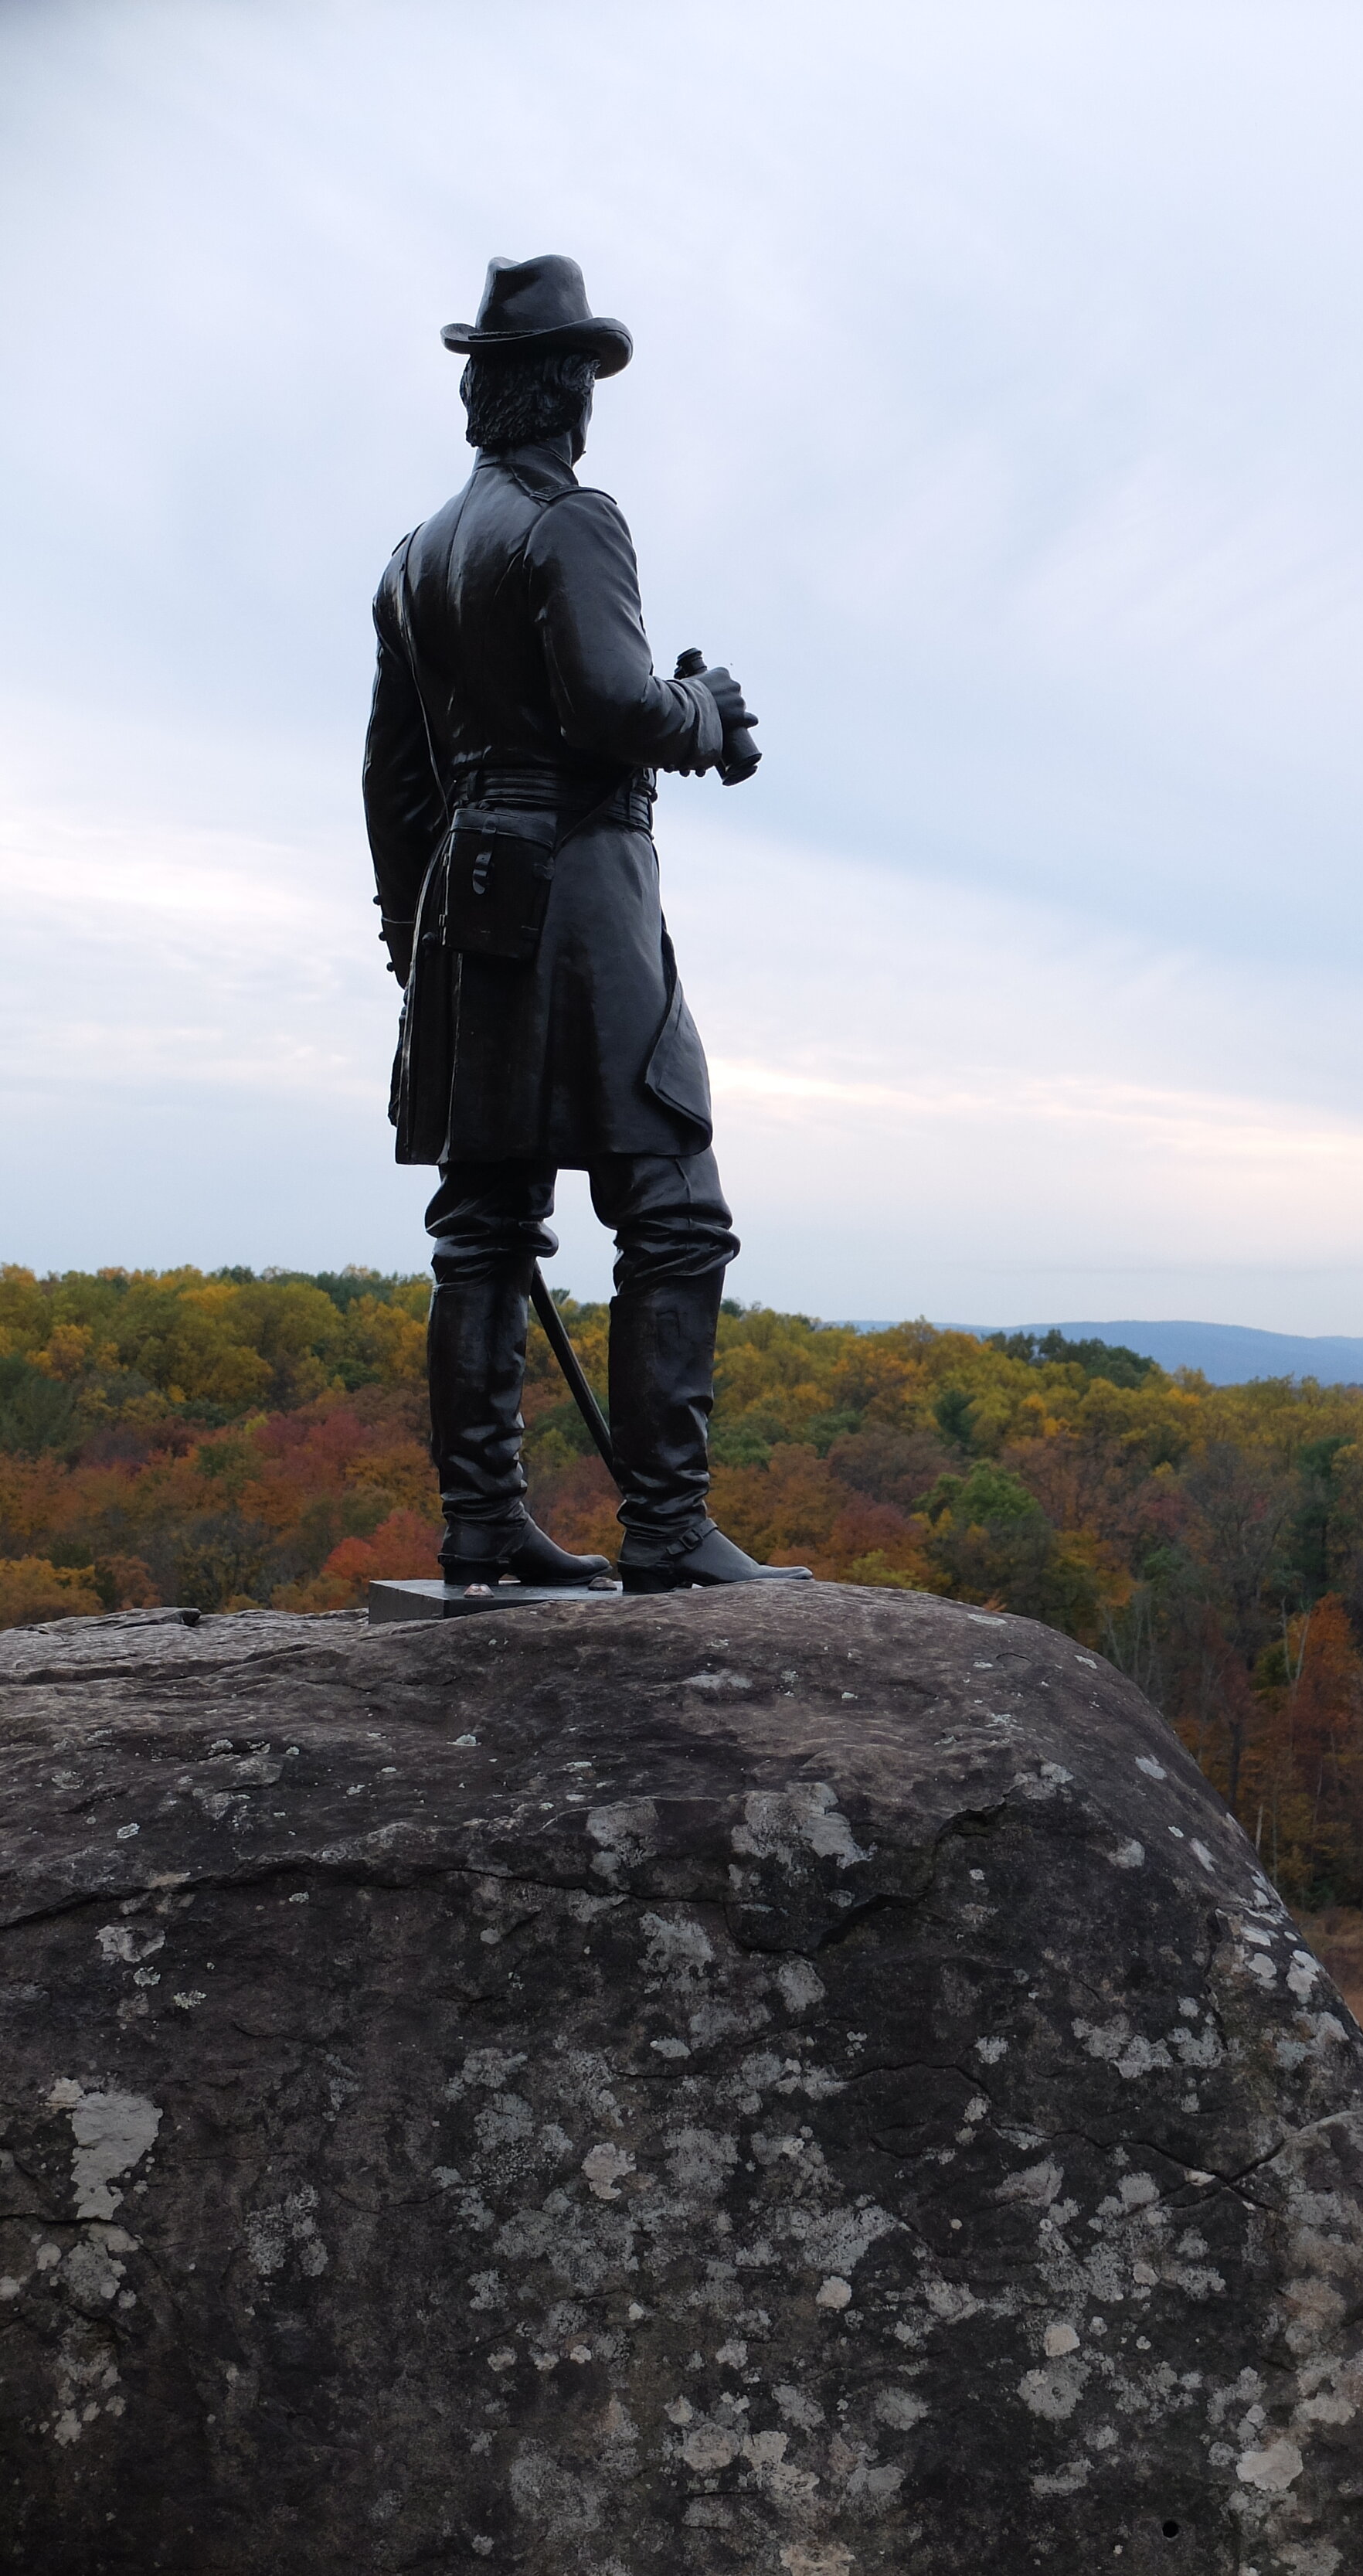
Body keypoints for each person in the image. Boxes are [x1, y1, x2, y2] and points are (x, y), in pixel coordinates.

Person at [362, 254, 811, 1597]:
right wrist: (709, 716)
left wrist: (412, 943)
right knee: (672, 1200)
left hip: (466, 897)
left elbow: (394, 782)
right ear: (569, 393)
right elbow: (619, 706)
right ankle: (668, 1528)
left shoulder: (415, 558)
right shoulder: (572, 523)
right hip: (578, 892)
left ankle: (482, 1523)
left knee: (485, 1215)